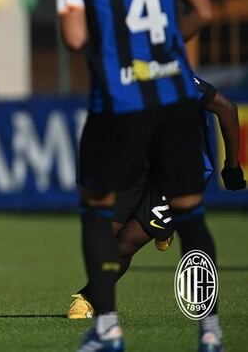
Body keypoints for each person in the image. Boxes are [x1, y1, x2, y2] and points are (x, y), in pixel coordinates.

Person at [52, 0, 221, 350]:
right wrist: (163, 54)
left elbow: (75, 37)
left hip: (120, 103)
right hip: (170, 99)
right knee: (193, 216)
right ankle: (210, 334)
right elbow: (205, 12)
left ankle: (108, 331)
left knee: (96, 213)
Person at [67, 74, 245, 319]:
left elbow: (227, 108)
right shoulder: (118, 80)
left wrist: (232, 166)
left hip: (178, 176)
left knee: (125, 243)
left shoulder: (175, 77)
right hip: (136, 167)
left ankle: (89, 297)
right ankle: (163, 228)